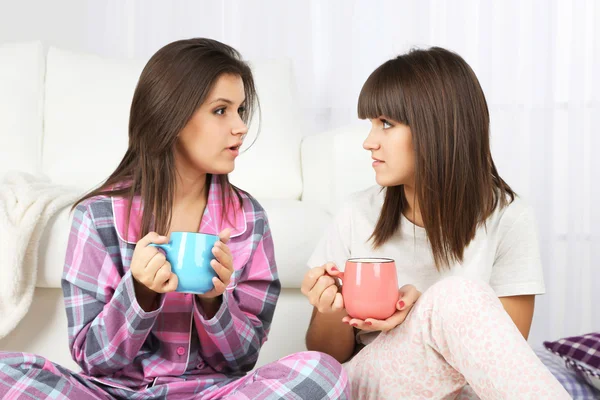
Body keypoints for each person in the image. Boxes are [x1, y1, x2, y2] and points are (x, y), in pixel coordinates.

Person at [0, 38, 349, 400]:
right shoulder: (97, 217)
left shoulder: (249, 220)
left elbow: (242, 360)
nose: (240, 127)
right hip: (113, 393)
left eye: (241, 110)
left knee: (322, 373)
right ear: (173, 115)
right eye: (221, 110)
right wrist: (140, 293)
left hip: (212, 393)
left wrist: (216, 302)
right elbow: (94, 359)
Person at [301, 47, 570, 399]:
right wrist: (329, 308)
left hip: (462, 392)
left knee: (457, 299)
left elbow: (502, 364)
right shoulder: (357, 213)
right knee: (456, 295)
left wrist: (421, 312)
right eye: (370, 125)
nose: (369, 142)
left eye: (386, 123)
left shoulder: (508, 216)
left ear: (436, 126)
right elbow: (327, 358)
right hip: (369, 385)